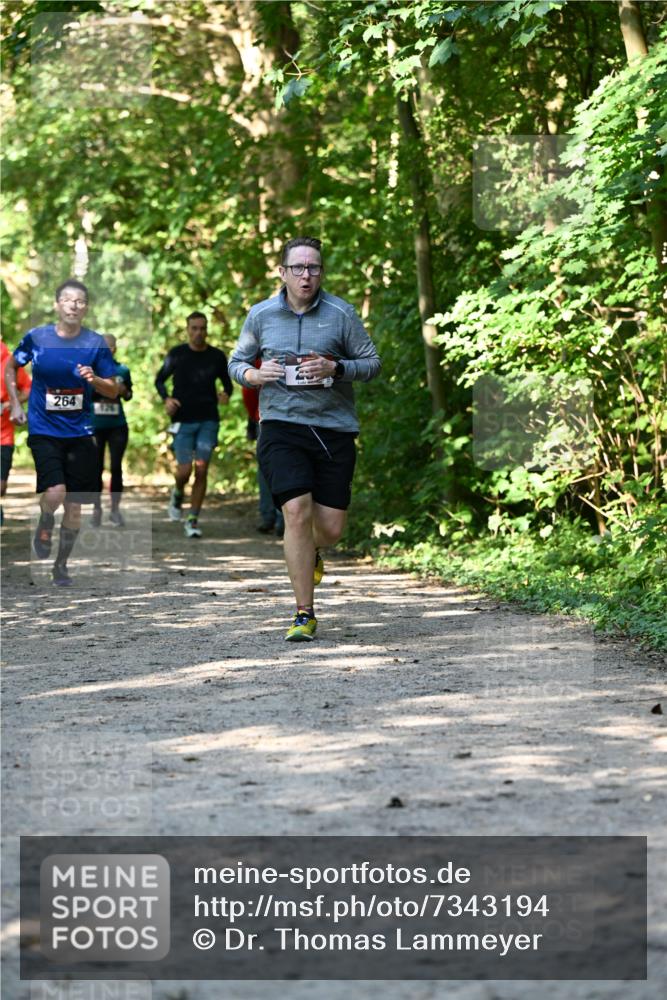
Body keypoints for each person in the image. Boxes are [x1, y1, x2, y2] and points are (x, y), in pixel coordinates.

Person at [229, 236, 381, 642]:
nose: (306, 275)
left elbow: (372, 363)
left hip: (333, 429)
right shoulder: (261, 315)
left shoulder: (341, 314)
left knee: (330, 530)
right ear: (283, 272)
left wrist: (337, 368)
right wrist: (253, 375)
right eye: (298, 267)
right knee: (295, 511)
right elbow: (236, 362)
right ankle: (304, 613)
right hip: (280, 426)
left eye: (313, 267)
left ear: (321, 272)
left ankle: (310, 550)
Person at [4, 278, 121, 586]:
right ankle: (45, 520)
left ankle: (61, 565)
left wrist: (94, 379)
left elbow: (113, 390)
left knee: (74, 505)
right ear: (57, 305)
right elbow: (10, 367)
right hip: (44, 429)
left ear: (86, 308)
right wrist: (15, 403)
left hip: (80, 432)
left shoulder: (94, 343)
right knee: (56, 492)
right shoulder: (37, 337)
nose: (73, 305)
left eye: (79, 301)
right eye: (67, 300)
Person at [155, 311, 233, 538]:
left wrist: (225, 394)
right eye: (194, 328)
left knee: (201, 468)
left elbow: (228, 384)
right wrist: (167, 399)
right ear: (187, 330)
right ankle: (178, 492)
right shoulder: (177, 354)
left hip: (208, 419)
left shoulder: (216, 356)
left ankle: (193, 519)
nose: (199, 332)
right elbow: (159, 380)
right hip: (182, 420)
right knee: (184, 471)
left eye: (202, 328)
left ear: (207, 330)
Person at [91, 334, 133, 528]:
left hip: (117, 426)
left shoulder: (122, 370)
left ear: (114, 349)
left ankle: (115, 510)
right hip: (95, 426)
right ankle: (96, 509)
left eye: (109, 347)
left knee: (116, 467)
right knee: (96, 468)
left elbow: (129, 395)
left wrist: (124, 391)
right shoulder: (90, 371)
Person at [241, 360, 284, 538]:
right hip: (290, 419)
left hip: (265, 417)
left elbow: (248, 389)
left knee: (266, 468)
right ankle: (282, 519)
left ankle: (269, 516)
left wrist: (254, 414)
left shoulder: (262, 355)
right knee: (286, 469)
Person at [0, 338, 32, 525]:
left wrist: (11, 403)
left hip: (3, 435)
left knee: (1, 485)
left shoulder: (9, 362)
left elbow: (28, 388)